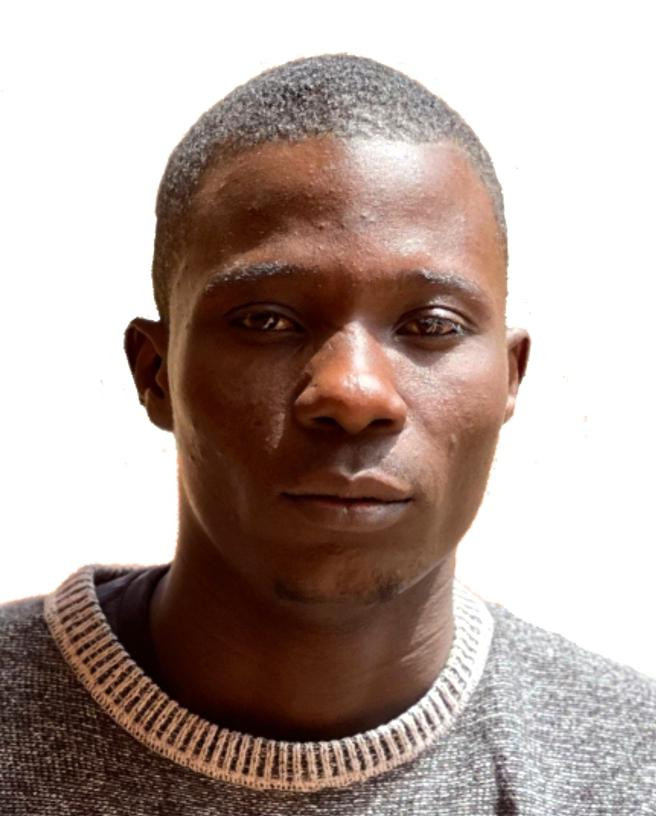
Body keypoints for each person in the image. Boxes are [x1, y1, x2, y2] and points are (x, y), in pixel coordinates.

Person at [1, 54, 654, 815]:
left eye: (431, 325)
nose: (353, 393)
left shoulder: (631, 772)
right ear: (155, 373)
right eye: (265, 321)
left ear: (511, 379)